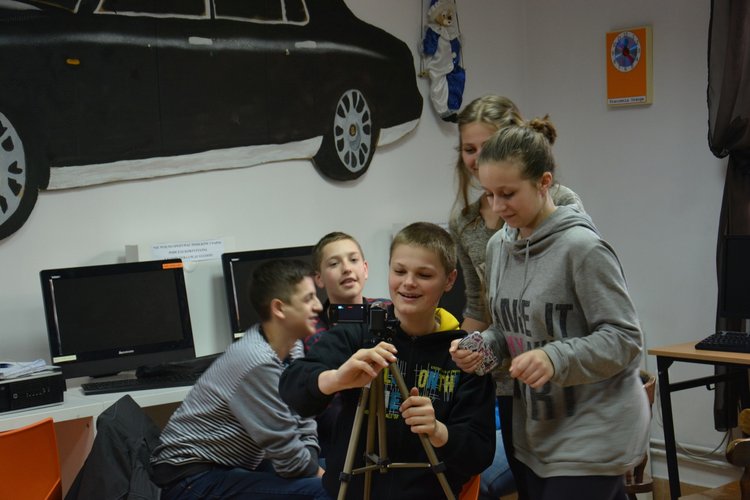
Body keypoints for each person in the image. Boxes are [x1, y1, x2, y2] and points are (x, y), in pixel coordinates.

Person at [450, 119, 650, 500]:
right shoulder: (498, 248)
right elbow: (509, 330)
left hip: (593, 430)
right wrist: (482, 348)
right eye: (489, 194)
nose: (497, 207)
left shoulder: (583, 249)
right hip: (537, 429)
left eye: (508, 193)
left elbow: (625, 340)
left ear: (544, 183)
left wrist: (553, 357)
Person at [280, 222, 496, 500]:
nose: (409, 283)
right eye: (399, 271)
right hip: (353, 491)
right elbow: (293, 388)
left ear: (450, 279)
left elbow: (480, 451)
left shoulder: (462, 354)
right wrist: (337, 379)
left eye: (424, 275)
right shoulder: (358, 333)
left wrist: (438, 431)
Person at [449, 94, 584, 499]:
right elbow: (480, 305)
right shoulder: (465, 222)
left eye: (486, 147)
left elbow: (579, 296)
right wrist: (463, 351)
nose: (476, 160)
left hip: (558, 375)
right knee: (529, 485)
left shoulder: (559, 202)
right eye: (468, 149)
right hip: (508, 378)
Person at [150, 259, 330, 500]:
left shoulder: (292, 346)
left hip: (231, 467)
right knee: (329, 490)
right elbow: (287, 455)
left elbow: (303, 412)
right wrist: (322, 478)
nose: (318, 306)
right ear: (279, 308)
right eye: (308, 299)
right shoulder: (257, 361)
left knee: (343, 472)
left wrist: (314, 463)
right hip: (191, 479)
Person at [304, 231, 390, 459]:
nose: (346, 268)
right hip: (336, 445)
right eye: (334, 263)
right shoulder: (308, 331)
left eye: (353, 260)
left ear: (365, 269)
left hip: (391, 432)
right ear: (319, 279)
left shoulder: (388, 311)